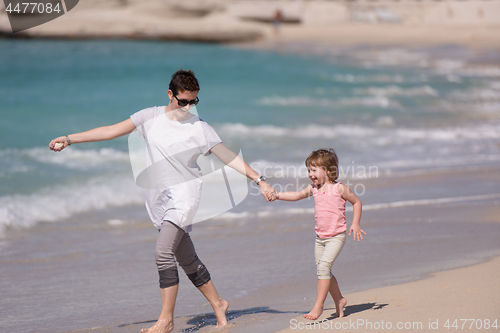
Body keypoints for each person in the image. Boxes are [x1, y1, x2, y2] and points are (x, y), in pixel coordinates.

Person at [49, 69, 275, 333]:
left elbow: (227, 156)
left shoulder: (200, 128)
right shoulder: (149, 117)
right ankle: (219, 303)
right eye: (183, 101)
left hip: (185, 197)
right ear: (170, 94)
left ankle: (166, 320)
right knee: (186, 258)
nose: (188, 107)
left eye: (194, 102)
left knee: (162, 252)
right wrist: (69, 138)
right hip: (158, 199)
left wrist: (260, 180)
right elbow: (111, 130)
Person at [267, 148, 365, 320]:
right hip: (320, 238)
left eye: (314, 170)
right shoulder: (314, 188)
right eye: (308, 170)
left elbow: (356, 202)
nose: (310, 174)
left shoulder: (339, 189)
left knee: (323, 268)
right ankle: (339, 300)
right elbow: (296, 195)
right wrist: (277, 195)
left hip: (337, 235)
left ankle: (318, 306)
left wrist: (355, 223)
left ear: (328, 170)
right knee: (324, 271)